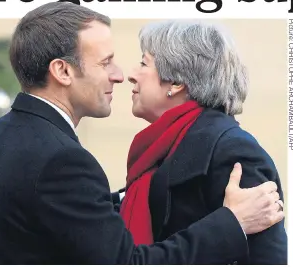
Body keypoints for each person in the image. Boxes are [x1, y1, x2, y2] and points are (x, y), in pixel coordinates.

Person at [0, 3, 284, 265]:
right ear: (62, 71)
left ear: (177, 82)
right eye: (106, 63)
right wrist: (232, 223)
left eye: (142, 63)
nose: (122, 75)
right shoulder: (61, 160)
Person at [116, 20, 287, 264]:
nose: (131, 75)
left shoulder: (233, 150)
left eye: (144, 63)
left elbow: (266, 258)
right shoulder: (165, 145)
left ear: (176, 83)